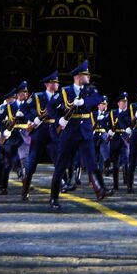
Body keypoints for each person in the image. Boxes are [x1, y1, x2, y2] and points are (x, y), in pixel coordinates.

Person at [49, 60, 110, 208]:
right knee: (61, 165)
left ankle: (101, 190)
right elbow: (51, 106)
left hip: (85, 132)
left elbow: (97, 99)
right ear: (78, 76)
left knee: (92, 164)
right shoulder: (65, 91)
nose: (88, 76)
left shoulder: (90, 90)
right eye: (86, 74)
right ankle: (54, 198)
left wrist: (83, 102)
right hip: (69, 131)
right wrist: (60, 119)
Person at [18, 71, 65, 201]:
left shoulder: (61, 96)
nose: (57, 84)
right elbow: (24, 109)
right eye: (54, 82)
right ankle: (25, 191)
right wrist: (34, 119)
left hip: (53, 132)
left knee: (59, 161)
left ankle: (55, 195)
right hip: (39, 133)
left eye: (57, 82)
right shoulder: (37, 97)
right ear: (48, 84)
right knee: (32, 164)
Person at [106, 92, 132, 192]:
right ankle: (115, 184)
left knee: (126, 160)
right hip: (115, 138)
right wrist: (108, 130)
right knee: (115, 163)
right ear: (118, 103)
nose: (124, 103)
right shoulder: (113, 113)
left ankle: (127, 182)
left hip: (125, 138)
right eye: (122, 102)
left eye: (126, 102)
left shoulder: (130, 113)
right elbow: (106, 122)